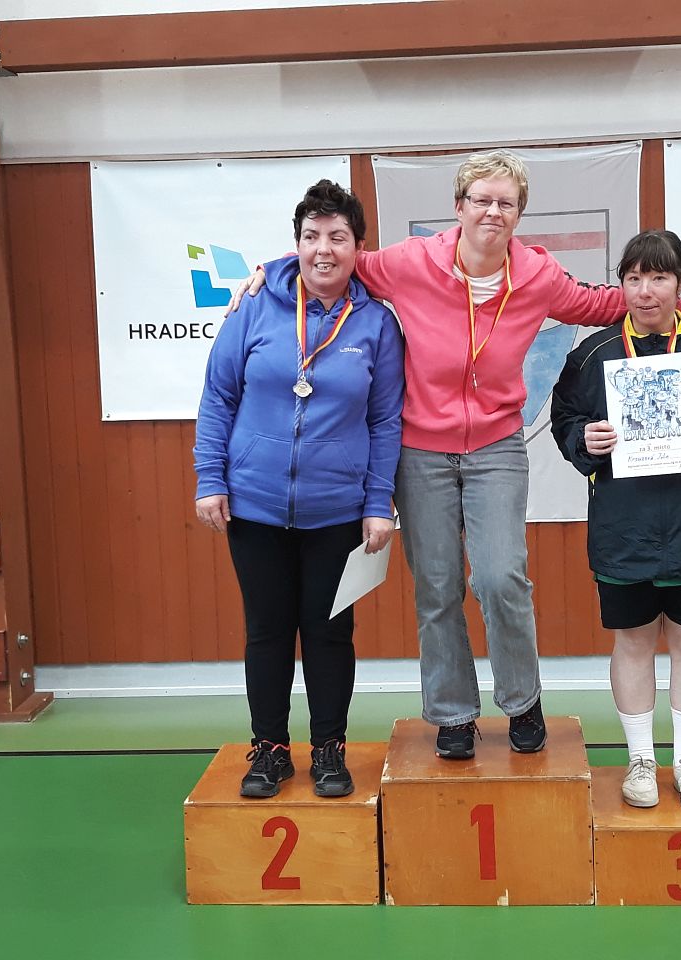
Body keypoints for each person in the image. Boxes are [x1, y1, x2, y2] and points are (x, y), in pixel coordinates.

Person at [232, 151, 681, 761]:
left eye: (506, 203)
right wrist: (269, 270)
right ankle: (452, 714)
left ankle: (522, 700)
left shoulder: (537, 275)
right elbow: (336, 260)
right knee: (437, 587)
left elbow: (600, 305)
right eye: (482, 200)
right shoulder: (412, 262)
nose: (493, 211)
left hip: (496, 445)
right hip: (421, 447)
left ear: (519, 214)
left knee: (500, 579)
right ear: (459, 207)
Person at [193, 180, 404, 798]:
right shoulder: (254, 308)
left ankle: (330, 748)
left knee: (329, 634)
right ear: (296, 244)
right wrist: (210, 478)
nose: (323, 250)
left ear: (358, 247)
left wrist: (378, 502)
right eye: (311, 236)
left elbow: (385, 421)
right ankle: (269, 749)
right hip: (254, 505)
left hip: (337, 511)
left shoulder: (377, 324)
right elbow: (218, 396)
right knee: (267, 632)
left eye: (337, 237)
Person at [549, 229, 681, 811]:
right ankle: (641, 759)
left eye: (659, 278)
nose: (645, 291)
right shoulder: (593, 354)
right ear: (621, 285)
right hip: (625, 529)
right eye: (634, 278)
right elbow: (565, 421)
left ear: (679, 283)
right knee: (633, 642)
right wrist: (585, 440)